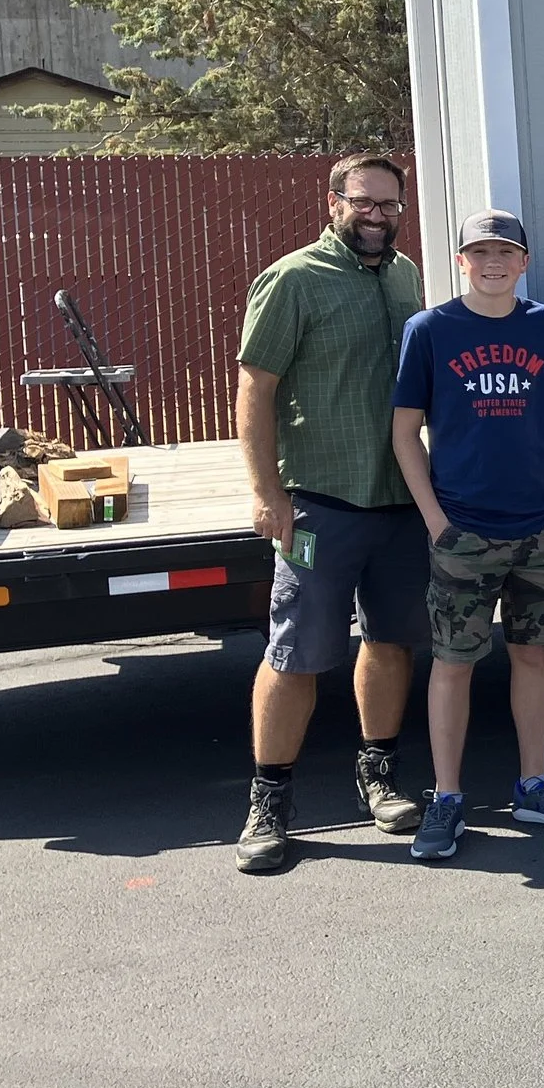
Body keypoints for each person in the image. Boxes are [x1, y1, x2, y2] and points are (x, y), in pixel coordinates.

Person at [231, 154, 429, 874]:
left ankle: (378, 776)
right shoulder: (292, 279)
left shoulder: (405, 276)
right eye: (364, 202)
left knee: (391, 641)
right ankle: (268, 802)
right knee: (297, 652)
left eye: (389, 204)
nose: (377, 214)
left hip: (400, 500)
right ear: (334, 201)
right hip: (318, 504)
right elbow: (255, 390)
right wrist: (266, 493)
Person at [390, 210, 544, 860]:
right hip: (464, 529)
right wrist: (436, 521)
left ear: (524, 260)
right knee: (452, 664)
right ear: (460, 261)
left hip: (539, 527)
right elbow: (404, 432)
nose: (493, 262)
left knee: (534, 654)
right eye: (479, 252)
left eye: (504, 251)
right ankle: (446, 797)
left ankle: (533, 785)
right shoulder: (429, 330)